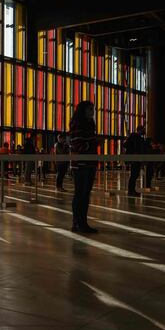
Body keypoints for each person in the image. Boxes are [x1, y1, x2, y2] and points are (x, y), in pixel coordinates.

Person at [69, 100, 99, 233]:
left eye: (93, 109)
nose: (92, 112)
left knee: (83, 194)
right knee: (81, 194)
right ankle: (79, 223)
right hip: (82, 164)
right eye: (89, 109)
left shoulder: (89, 124)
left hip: (88, 163)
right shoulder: (79, 124)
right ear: (83, 110)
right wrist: (93, 144)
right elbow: (77, 145)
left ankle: (80, 222)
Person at [124, 125, 146, 196]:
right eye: (143, 129)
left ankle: (132, 190)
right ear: (140, 130)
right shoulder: (135, 136)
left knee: (135, 175)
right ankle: (131, 191)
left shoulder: (138, 138)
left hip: (137, 159)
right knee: (134, 174)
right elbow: (136, 148)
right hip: (135, 159)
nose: (144, 131)